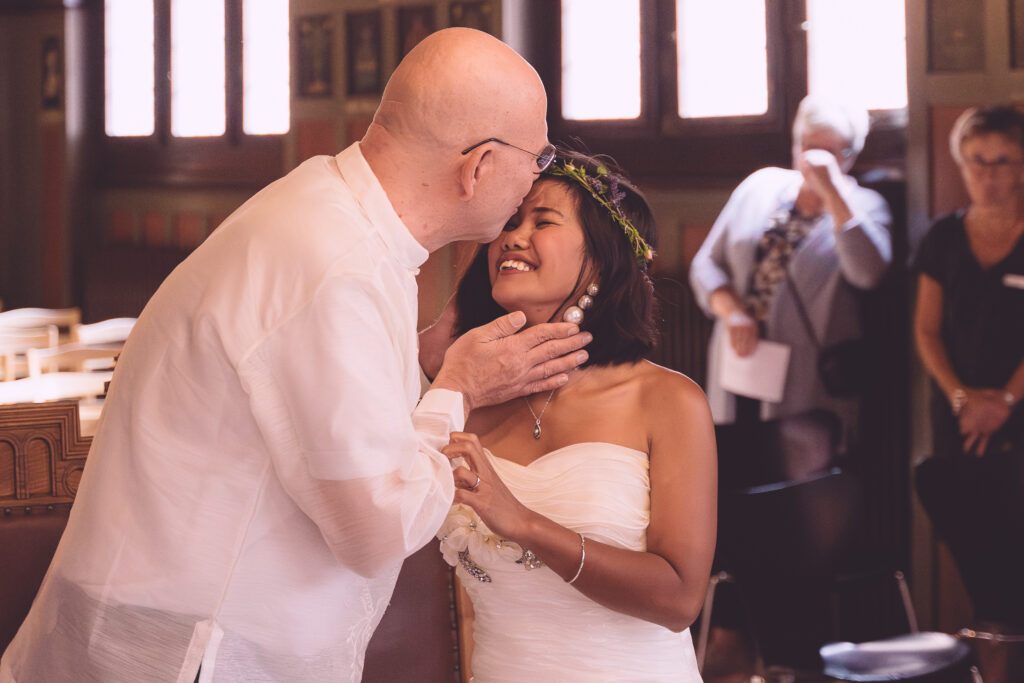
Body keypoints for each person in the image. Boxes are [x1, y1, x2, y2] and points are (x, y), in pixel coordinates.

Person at [0, 29, 592, 683]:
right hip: (193, 653)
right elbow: (373, 529)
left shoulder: (332, 215)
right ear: (477, 166)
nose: (534, 181)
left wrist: (413, 360)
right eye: (536, 159)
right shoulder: (336, 264)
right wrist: (458, 387)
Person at [421, 151, 717, 681]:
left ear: (601, 258)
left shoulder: (667, 401)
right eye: (508, 222)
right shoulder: (463, 398)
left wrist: (523, 523)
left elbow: (678, 600)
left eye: (543, 220)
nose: (512, 236)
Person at [688, 96, 892, 668]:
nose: (816, 158)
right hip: (738, 371)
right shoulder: (759, 188)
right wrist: (730, 310)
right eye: (809, 146)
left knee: (791, 512)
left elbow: (868, 269)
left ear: (850, 156)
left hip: (803, 389)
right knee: (729, 495)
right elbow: (706, 264)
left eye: (831, 150)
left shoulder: (863, 206)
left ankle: (787, 646)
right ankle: (730, 632)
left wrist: (834, 194)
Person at [913, 105, 1024, 662]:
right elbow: (927, 330)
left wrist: (1004, 400)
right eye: (977, 161)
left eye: (1002, 161)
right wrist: (963, 397)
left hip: (1016, 421)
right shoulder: (943, 238)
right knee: (988, 574)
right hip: (958, 420)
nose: (988, 174)